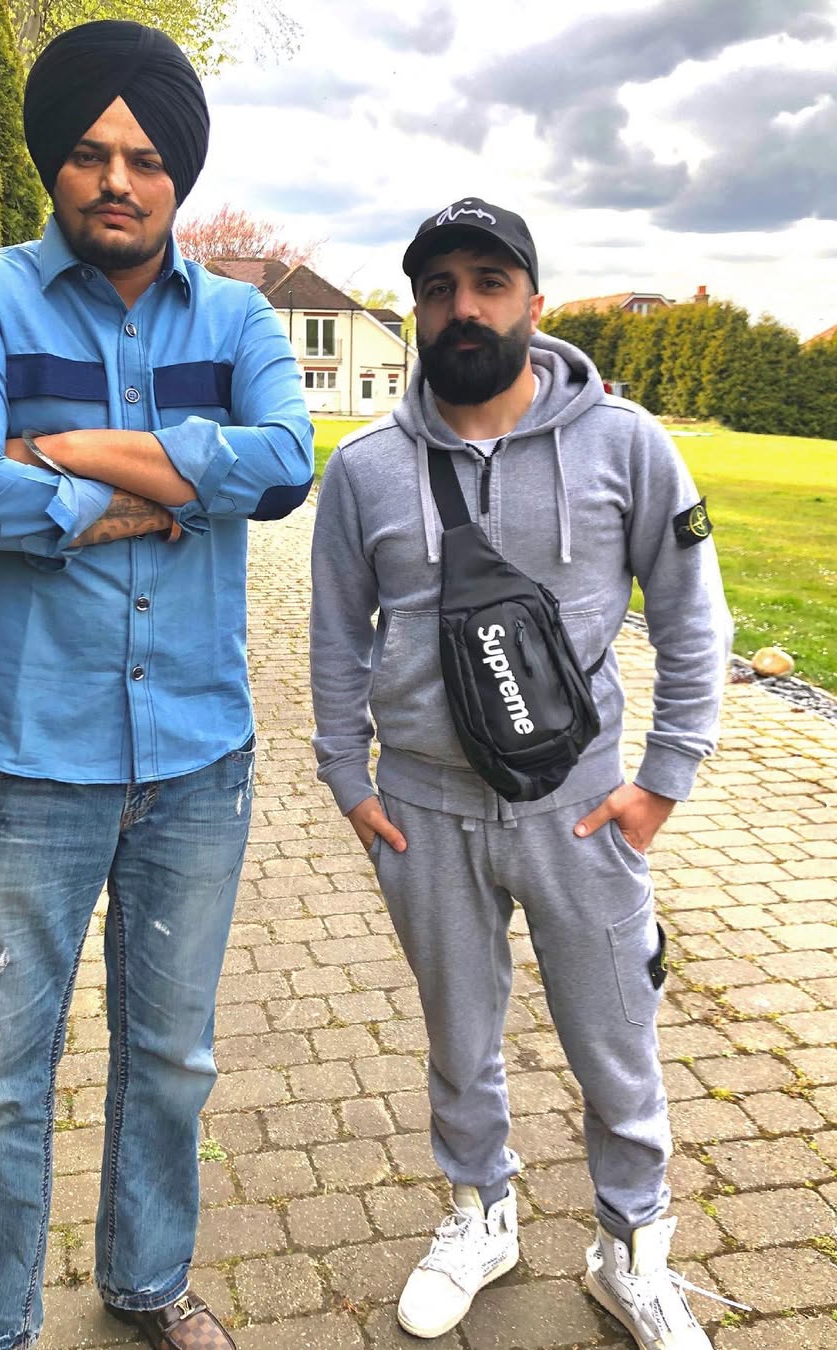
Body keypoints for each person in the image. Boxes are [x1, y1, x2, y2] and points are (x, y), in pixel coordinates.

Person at [0, 21, 313, 1350]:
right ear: (56, 162)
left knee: (173, 1062)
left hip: (199, 761)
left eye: (145, 157)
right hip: (28, 762)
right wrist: (167, 489)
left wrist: (68, 452)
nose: (118, 181)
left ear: (179, 172)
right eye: (90, 152)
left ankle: (146, 1283)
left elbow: (286, 462)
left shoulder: (241, 316)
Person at [310, 196, 731, 1347]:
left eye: (489, 283)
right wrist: (348, 778)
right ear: (416, 310)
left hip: (584, 810)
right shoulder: (367, 470)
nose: (464, 307)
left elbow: (693, 617)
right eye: (439, 287)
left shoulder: (626, 445)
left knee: (616, 1041)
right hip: (423, 811)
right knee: (459, 1040)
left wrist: (662, 778)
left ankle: (629, 1252)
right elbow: (335, 633)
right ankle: (479, 1217)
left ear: (533, 303)